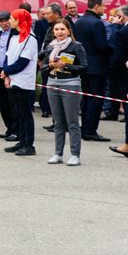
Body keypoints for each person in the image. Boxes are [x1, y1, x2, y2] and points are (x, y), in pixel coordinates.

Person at [42, 19, 88, 165]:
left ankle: (75, 155)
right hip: (52, 83)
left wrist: (65, 65)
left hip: (70, 84)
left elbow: (84, 67)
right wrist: (50, 65)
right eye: (56, 29)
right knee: (58, 122)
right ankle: (58, 153)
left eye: (62, 29)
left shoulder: (75, 45)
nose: (59, 32)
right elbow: (43, 68)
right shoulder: (50, 46)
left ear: (69, 31)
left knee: (72, 122)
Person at [72, 0, 112, 142]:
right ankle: (90, 130)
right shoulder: (97, 23)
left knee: (87, 98)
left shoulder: (79, 21)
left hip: (83, 64)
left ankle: (85, 128)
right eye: (104, 6)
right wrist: (114, 49)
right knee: (96, 99)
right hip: (97, 65)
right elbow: (101, 45)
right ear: (96, 6)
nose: (105, 8)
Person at [0, 8, 38, 157]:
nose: (9, 21)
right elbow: (8, 57)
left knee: (25, 112)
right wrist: (6, 73)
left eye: (12, 19)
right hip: (13, 78)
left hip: (24, 79)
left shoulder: (30, 39)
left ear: (19, 21)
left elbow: (23, 61)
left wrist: (7, 71)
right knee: (18, 111)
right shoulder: (14, 37)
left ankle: (29, 144)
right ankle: (21, 141)